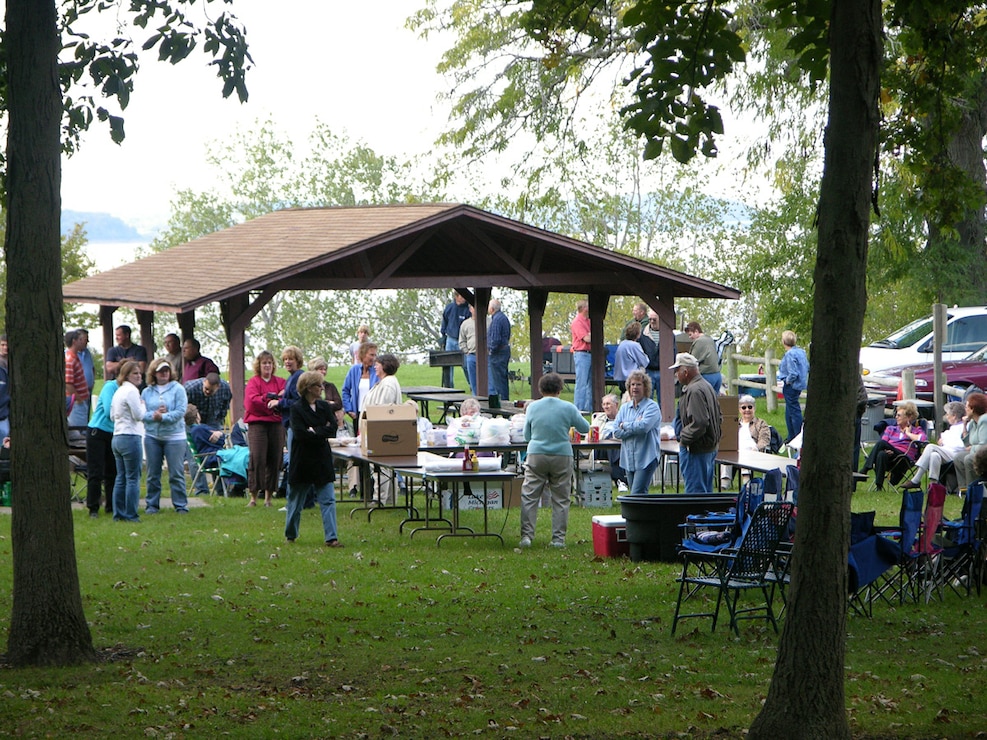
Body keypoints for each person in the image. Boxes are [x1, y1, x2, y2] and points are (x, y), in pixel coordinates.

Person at [518, 372, 589, 549]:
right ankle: (558, 539)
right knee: (561, 498)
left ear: (540, 389)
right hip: (562, 454)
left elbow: (527, 435)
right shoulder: (568, 407)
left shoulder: (533, 407)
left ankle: (526, 536)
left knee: (530, 496)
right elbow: (585, 428)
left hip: (536, 454)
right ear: (559, 389)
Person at [284, 371, 343, 546]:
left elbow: (332, 428)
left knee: (328, 500)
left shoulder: (324, 407)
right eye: (319, 385)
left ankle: (331, 538)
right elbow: (300, 434)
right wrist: (318, 430)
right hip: (302, 460)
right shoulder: (296, 409)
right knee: (296, 501)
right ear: (309, 388)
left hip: (322, 459)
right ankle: (291, 534)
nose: (322, 388)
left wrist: (314, 430)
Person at [141, 358, 190, 514]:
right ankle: (152, 505)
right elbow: (141, 413)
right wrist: (154, 416)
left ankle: (181, 505)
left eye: (166, 370)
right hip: (152, 436)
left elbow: (181, 411)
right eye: (161, 371)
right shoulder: (147, 392)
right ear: (154, 373)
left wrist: (164, 417)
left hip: (175, 436)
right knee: (152, 473)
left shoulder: (178, 389)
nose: (164, 374)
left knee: (176, 473)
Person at [671, 352, 722, 493]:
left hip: (696, 449)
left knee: (696, 495)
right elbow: (719, 416)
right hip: (708, 447)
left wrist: (684, 438)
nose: (676, 374)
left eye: (677, 370)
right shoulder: (706, 386)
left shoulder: (694, 390)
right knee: (705, 494)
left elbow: (700, 422)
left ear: (685, 372)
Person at [244, 350, 286, 507]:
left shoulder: (280, 381)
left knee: (274, 459)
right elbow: (251, 403)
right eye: (264, 363)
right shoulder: (253, 382)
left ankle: (269, 497)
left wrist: (270, 399)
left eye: (270, 362)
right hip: (257, 425)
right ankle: (254, 496)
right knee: (257, 458)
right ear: (259, 365)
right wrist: (272, 399)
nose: (267, 365)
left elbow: (284, 398)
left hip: (276, 425)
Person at [363, 352, 404, 506]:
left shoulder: (388, 384)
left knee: (381, 466)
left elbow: (383, 409)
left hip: (381, 430)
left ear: (385, 365)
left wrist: (373, 427)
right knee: (385, 466)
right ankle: (390, 499)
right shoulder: (384, 382)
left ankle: (380, 499)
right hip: (379, 428)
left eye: (377, 364)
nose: (375, 366)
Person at [612, 370, 662, 494]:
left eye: (638, 384)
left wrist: (625, 425)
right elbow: (616, 432)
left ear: (645, 387)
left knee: (637, 493)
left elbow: (644, 427)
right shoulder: (624, 408)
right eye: (632, 384)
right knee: (635, 494)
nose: (635, 387)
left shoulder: (652, 407)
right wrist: (634, 427)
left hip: (646, 457)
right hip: (628, 459)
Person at [860, 401, 927, 491]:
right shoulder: (891, 429)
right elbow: (884, 443)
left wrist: (908, 433)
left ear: (909, 417)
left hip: (904, 458)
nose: (896, 417)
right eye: (896, 415)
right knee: (881, 454)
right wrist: (886, 450)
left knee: (881, 443)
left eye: (899, 415)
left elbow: (922, 440)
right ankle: (879, 487)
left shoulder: (916, 430)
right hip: (890, 457)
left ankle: (866, 468)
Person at [109, 360, 145, 522]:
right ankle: (131, 514)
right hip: (130, 436)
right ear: (126, 375)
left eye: (139, 373)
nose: (139, 376)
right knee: (132, 478)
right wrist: (143, 405)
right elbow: (139, 415)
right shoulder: (132, 392)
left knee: (121, 477)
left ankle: (119, 514)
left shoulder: (118, 391)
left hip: (117, 437)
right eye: (135, 373)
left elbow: (111, 416)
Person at [342, 342, 379, 496]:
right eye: (371, 355)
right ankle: (363, 490)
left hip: (373, 416)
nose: (374, 358)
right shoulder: (354, 371)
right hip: (358, 415)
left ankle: (373, 490)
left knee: (373, 451)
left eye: (375, 355)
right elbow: (346, 390)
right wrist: (349, 409)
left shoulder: (376, 372)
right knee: (360, 451)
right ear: (363, 355)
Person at [902, 401, 966, 490]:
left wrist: (945, 441)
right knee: (934, 455)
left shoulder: (963, 427)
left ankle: (916, 480)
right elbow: (944, 440)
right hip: (947, 452)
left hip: (956, 454)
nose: (946, 416)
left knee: (931, 447)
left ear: (954, 416)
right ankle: (933, 485)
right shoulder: (952, 428)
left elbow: (959, 445)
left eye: (948, 414)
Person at [720, 394, 772, 488]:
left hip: (752, 451)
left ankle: (746, 483)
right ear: (740, 410)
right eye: (743, 407)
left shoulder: (761, 423)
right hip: (735, 450)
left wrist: (756, 448)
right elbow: (727, 437)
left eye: (750, 407)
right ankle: (725, 484)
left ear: (754, 408)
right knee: (726, 455)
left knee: (746, 452)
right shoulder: (734, 423)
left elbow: (764, 440)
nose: (747, 410)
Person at [86, 374, 119, 517]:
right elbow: (108, 411)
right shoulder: (110, 387)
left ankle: (111, 506)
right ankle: (93, 508)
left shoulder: (130, 390)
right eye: (133, 374)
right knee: (96, 471)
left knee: (112, 472)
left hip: (115, 433)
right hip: (97, 432)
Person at [591, 393, 628, 492]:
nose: (605, 407)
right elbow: (590, 434)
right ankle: (621, 480)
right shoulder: (599, 418)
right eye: (604, 404)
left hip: (620, 449)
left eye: (608, 404)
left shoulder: (624, 417)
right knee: (610, 440)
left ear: (616, 405)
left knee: (613, 443)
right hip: (600, 449)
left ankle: (619, 480)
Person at [777, 329, 809, 442]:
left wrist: (787, 381)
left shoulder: (789, 354)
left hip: (791, 385)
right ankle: (791, 435)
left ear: (784, 342)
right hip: (800, 384)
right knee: (789, 409)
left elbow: (793, 373)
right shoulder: (801, 352)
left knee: (794, 411)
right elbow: (807, 367)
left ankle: (798, 436)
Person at [952, 392, 987, 492]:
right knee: (958, 457)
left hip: (984, 454)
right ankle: (963, 489)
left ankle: (974, 489)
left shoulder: (984, 420)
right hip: (978, 452)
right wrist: (964, 425)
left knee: (968, 458)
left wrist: (972, 448)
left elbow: (984, 445)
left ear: (973, 409)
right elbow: (967, 444)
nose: (965, 409)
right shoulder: (972, 422)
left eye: (967, 407)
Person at [440, 290, 471, 388]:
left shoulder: (468, 309)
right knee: (448, 365)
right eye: (462, 296)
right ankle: (449, 387)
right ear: (456, 297)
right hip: (450, 339)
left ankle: (472, 384)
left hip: (463, 341)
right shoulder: (449, 308)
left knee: (466, 365)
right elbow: (444, 321)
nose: (464, 298)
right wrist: (443, 335)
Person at [307, 357, 345, 431]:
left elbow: (339, 404)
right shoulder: (309, 388)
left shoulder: (330, 386)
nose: (324, 371)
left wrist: (323, 404)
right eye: (321, 369)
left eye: (325, 369)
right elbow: (313, 405)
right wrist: (329, 402)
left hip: (331, 424)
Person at [685, 321, 722, 394]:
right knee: (713, 402)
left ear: (696, 331)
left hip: (706, 375)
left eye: (690, 334)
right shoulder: (710, 339)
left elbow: (692, 361)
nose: (690, 337)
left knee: (702, 401)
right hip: (717, 375)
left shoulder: (698, 342)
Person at [64, 330, 90, 429]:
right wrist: (78, 399)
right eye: (80, 339)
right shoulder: (70, 360)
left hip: (81, 400)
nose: (83, 342)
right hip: (76, 403)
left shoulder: (75, 357)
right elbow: (68, 383)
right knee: (79, 430)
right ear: (74, 341)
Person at [613, 321, 648, 394]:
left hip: (620, 377)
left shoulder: (622, 344)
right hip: (631, 377)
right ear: (638, 334)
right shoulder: (635, 345)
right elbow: (644, 362)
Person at [486, 298, 511, 400]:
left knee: (498, 382)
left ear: (492, 308)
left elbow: (495, 339)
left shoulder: (496, 320)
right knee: (502, 380)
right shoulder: (503, 318)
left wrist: (491, 350)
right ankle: (504, 400)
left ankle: (503, 402)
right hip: (504, 351)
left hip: (498, 354)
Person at [571, 299, 592, 413]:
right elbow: (587, 338)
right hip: (582, 354)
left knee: (591, 383)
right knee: (582, 382)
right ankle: (578, 408)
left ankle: (589, 408)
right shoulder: (577, 322)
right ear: (584, 308)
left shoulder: (588, 320)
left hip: (591, 353)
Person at [458, 303, 478, 396]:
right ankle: (476, 401)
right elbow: (462, 340)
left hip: (486, 357)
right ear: (470, 309)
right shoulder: (465, 324)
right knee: (473, 382)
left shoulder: (489, 321)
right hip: (471, 356)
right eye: (473, 307)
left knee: (488, 382)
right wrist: (466, 351)